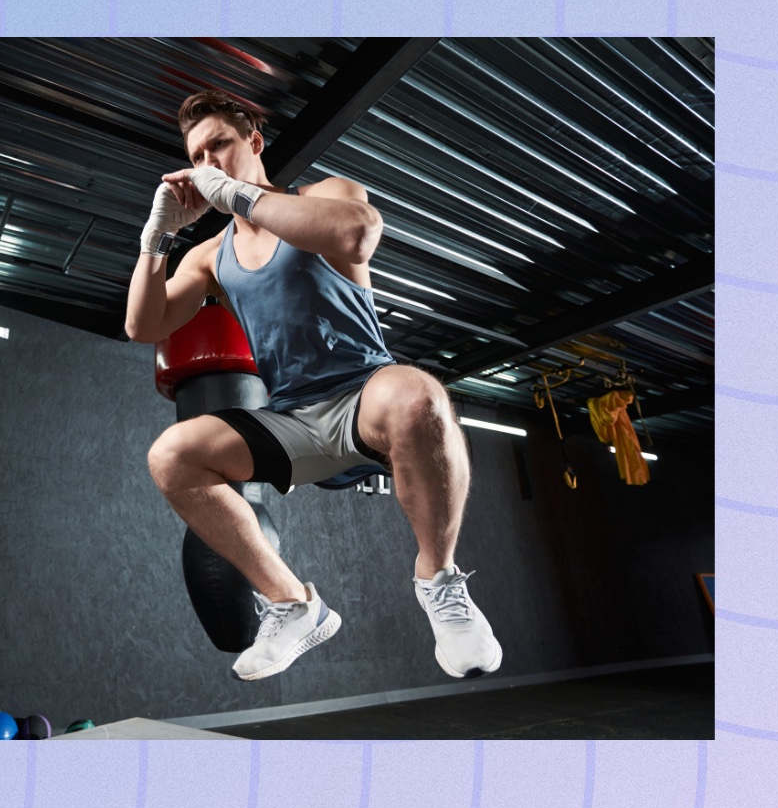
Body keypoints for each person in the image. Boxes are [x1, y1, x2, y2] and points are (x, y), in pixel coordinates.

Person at [126, 89, 501, 682]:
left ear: (254, 142)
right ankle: (294, 605)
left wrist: (242, 197)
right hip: (294, 420)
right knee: (172, 456)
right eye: (198, 155)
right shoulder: (210, 256)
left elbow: (357, 236)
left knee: (420, 395)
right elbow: (141, 325)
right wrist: (156, 239)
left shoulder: (325, 195)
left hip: (367, 395)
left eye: (219, 144)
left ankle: (440, 583)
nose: (209, 163)